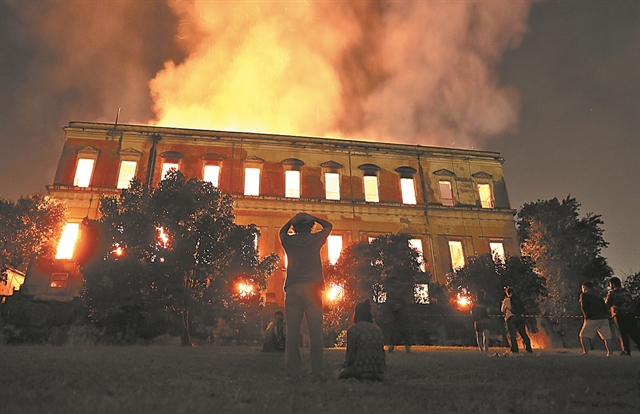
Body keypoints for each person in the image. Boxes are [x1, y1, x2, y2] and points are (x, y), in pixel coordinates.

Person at [279, 212, 333, 381]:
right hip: (314, 289)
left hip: (294, 287)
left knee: (292, 333)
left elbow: (281, 232)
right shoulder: (315, 239)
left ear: (295, 227)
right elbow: (328, 226)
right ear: (310, 227)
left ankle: (292, 374)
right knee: (315, 332)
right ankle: (317, 373)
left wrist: (292, 220)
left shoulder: (290, 241)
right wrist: (313, 217)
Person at [338, 300, 386, 381]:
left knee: (340, 374)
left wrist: (344, 366)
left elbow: (350, 356)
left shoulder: (353, 330)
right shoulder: (377, 329)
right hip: (379, 372)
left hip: (361, 370)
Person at [605, 277, 640, 356]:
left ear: (613, 284)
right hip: (630, 315)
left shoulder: (612, 293)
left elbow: (607, 304)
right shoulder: (627, 292)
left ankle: (626, 350)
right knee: (635, 333)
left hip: (619, 315)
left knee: (622, 333)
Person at [579, 281, 611, 356]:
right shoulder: (598, 295)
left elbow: (584, 306)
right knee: (607, 336)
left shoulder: (584, 295)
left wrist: (585, 317)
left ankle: (585, 351)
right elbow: (605, 306)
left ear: (585, 287)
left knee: (583, 335)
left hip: (592, 318)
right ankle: (609, 352)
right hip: (603, 318)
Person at [501, 287, 532, 353]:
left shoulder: (507, 300)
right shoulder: (518, 299)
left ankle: (515, 348)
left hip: (511, 318)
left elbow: (502, 310)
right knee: (523, 334)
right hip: (520, 318)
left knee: (512, 334)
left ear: (507, 293)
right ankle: (529, 348)